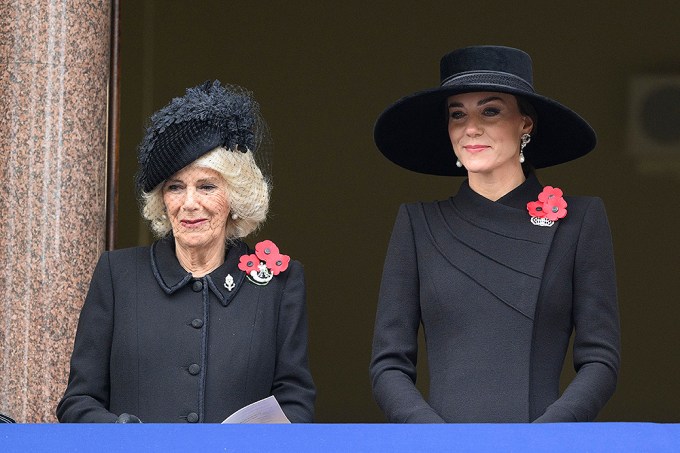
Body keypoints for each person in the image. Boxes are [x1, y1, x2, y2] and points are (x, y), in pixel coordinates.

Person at [369, 46, 620, 423]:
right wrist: (434, 440)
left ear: (525, 124)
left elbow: (601, 359)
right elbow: (388, 364)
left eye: (490, 110)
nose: (471, 127)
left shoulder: (580, 220)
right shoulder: (418, 224)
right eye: (457, 114)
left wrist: (545, 438)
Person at [57, 80, 315, 423]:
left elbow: (295, 405)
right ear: (162, 201)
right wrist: (124, 437)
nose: (189, 204)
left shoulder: (279, 286)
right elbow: (78, 401)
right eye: (175, 188)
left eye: (206, 186)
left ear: (235, 199)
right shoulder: (117, 276)